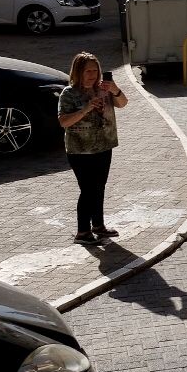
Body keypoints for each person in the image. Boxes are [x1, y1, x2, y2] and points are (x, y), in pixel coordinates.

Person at [58, 52, 127, 245]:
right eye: (88, 71)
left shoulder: (103, 89)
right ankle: (82, 232)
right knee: (88, 190)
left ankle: (98, 225)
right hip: (80, 150)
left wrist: (115, 90)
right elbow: (64, 121)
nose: (92, 75)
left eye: (95, 71)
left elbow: (123, 103)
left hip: (104, 146)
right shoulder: (69, 94)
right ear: (78, 72)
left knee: (99, 187)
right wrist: (86, 108)